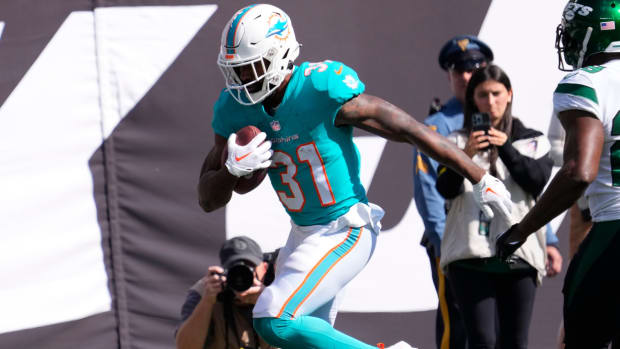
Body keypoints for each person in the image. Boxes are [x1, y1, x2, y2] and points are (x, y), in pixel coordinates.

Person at [198, 4, 514, 349]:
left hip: (344, 227)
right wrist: (232, 171)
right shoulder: (233, 108)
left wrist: (480, 176)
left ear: (280, 53)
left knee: (273, 318)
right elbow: (207, 199)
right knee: (300, 341)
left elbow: (408, 129)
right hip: (301, 235)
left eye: (250, 67)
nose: (242, 79)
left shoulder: (319, 89)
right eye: (236, 70)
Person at [412, 35, 561, 348]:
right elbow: (437, 191)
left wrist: (550, 240)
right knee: (472, 337)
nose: (489, 102)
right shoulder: (443, 132)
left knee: (513, 340)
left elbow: (535, 187)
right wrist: (444, 246)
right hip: (464, 249)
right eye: (481, 94)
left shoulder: (528, 137)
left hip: (517, 251)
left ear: (508, 95)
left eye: (495, 93)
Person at [496, 0, 620, 347]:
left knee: (579, 338)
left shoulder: (587, 83)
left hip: (613, 229)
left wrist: (523, 229)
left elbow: (580, 172)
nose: (567, 38)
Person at [413, 34, 493, 349]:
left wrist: (548, 239)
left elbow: (521, 187)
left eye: (474, 66)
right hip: (455, 244)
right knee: (458, 329)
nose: (466, 75)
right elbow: (429, 191)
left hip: (497, 243)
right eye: (458, 69)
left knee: (497, 330)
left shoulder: (504, 120)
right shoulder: (435, 128)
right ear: (450, 75)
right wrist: (445, 244)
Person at [175, 236, 279, 349]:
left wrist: (266, 303)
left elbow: (294, 338)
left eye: (250, 268)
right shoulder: (206, 290)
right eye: (235, 269)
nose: (242, 275)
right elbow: (185, 347)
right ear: (225, 272)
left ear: (264, 268)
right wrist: (207, 301)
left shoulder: (277, 288)